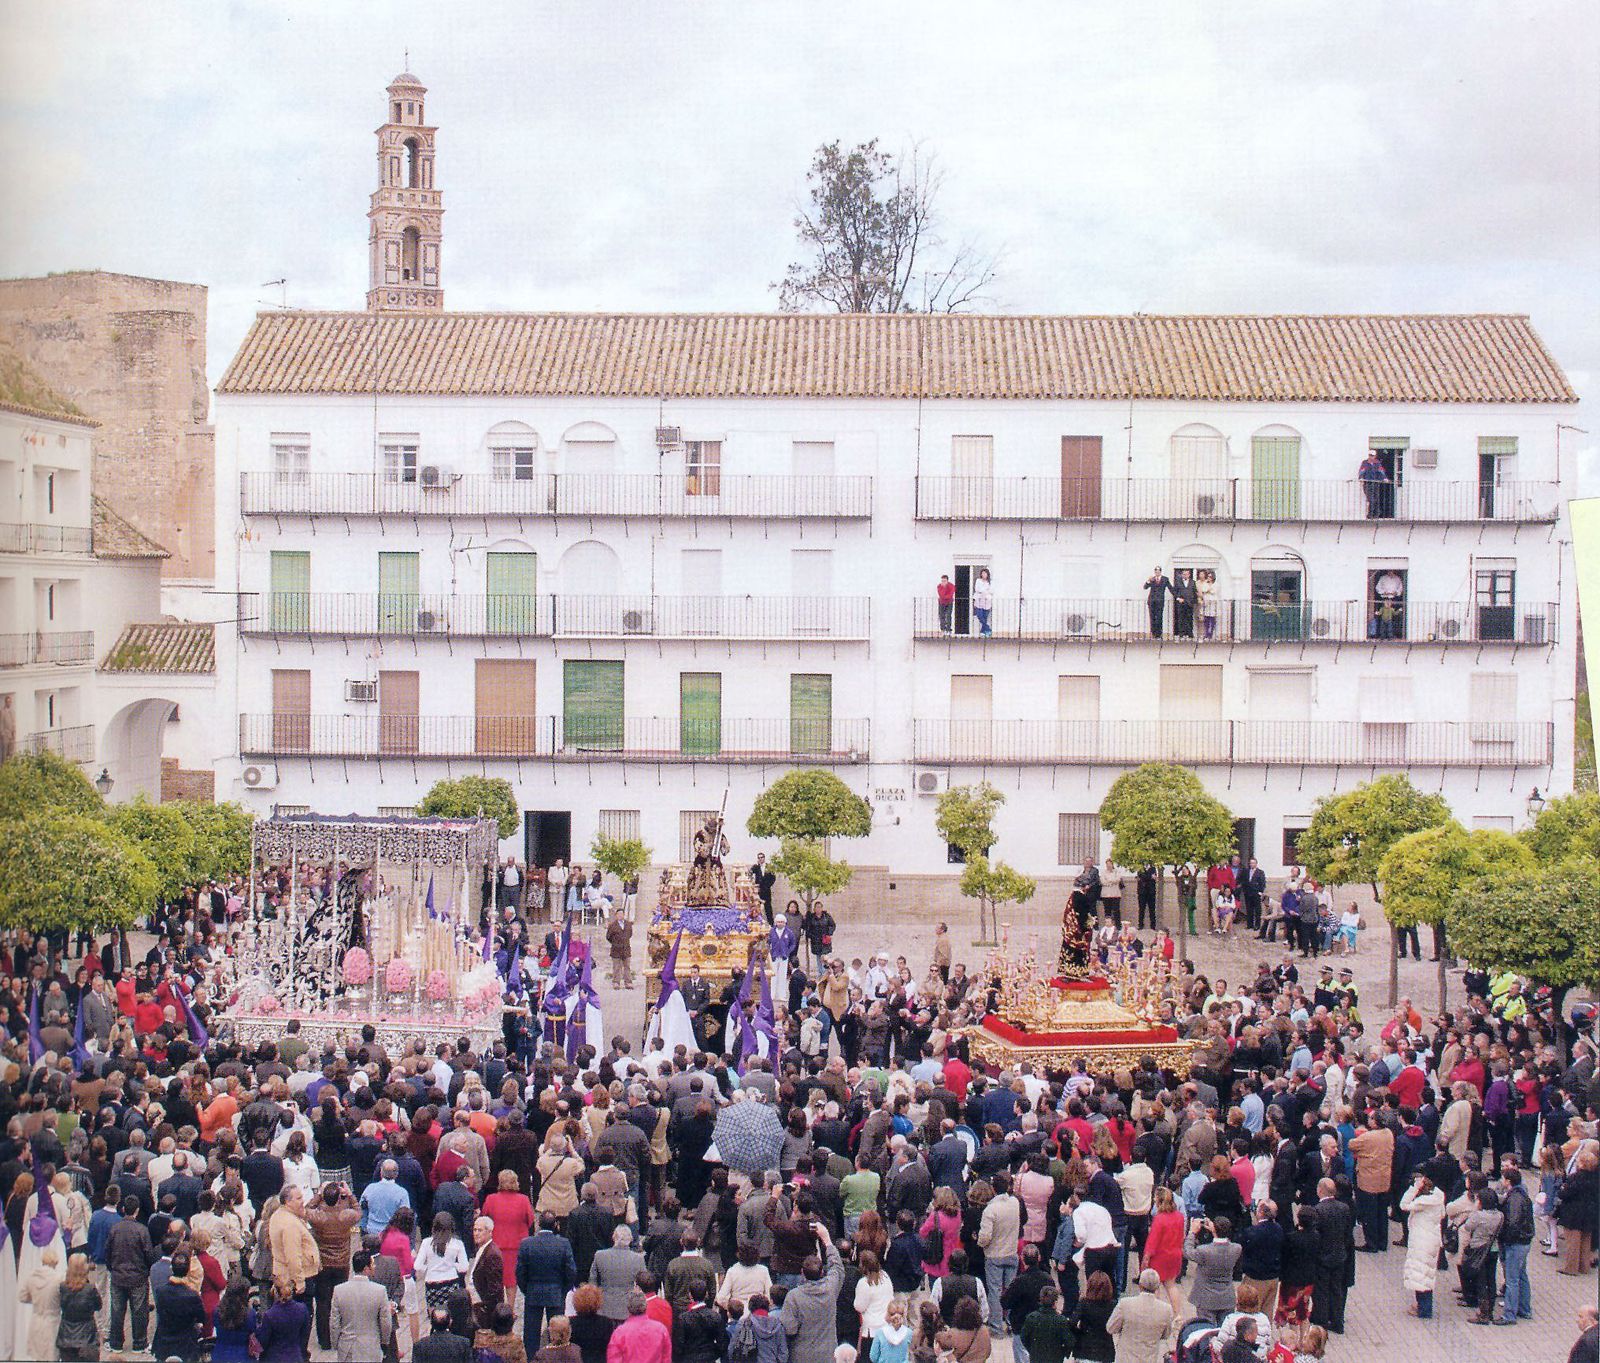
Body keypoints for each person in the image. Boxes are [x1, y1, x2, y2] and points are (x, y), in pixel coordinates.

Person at [332, 1248, 397, 1363]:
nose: (375, 1266)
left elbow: (334, 1322)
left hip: (347, 1347)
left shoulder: (339, 1290)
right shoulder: (380, 1291)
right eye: (372, 1264)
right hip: (370, 1346)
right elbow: (385, 1321)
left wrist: (336, 1343)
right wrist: (384, 1342)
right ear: (366, 1269)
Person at [1105, 1268, 1173, 1363]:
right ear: (1157, 1287)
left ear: (1140, 1285)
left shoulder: (1125, 1304)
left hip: (1125, 1359)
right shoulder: (1166, 1309)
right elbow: (1166, 1335)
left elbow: (1110, 1328)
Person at [55, 1251, 101, 1363]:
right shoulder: (90, 1289)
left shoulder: (62, 1287)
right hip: (87, 1336)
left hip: (66, 1334)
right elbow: (98, 1306)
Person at [1358, 450, 1393, 519]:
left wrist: (1384, 478)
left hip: (1376, 483)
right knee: (1371, 499)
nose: (1371, 457)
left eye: (1372, 455)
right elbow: (1362, 471)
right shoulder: (1365, 463)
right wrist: (1361, 477)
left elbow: (1381, 471)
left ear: (1375, 456)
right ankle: (1370, 514)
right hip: (1367, 483)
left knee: (1376, 499)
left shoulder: (1377, 463)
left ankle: (1376, 514)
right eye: (1370, 455)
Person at [1142, 567, 1170, 638]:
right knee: (1152, 617)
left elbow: (1171, 588)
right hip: (1152, 601)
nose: (1157, 573)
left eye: (1158, 571)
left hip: (1160, 601)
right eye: (1156, 571)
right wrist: (1148, 581)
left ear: (1160, 572)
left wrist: (1177, 596)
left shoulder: (1165, 579)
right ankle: (1153, 633)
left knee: (1159, 617)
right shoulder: (1152, 579)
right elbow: (1145, 587)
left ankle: (1159, 634)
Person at [1171, 569, 1198, 639]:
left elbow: (1195, 592)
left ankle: (1189, 634)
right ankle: (1181, 634)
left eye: (1187, 574)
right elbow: (1174, 592)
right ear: (1182, 575)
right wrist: (1178, 598)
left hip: (1189, 603)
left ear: (1189, 575)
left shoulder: (1193, 582)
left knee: (1189, 619)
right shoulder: (1178, 582)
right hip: (1181, 603)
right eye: (1184, 574)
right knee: (1181, 618)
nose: (1185, 575)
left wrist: (1194, 601)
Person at [971, 568, 994, 638]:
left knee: (985, 616)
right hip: (979, 599)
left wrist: (984, 591)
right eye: (982, 573)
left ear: (987, 574)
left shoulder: (989, 582)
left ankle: (983, 632)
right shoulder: (978, 581)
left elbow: (991, 591)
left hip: (987, 601)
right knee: (979, 615)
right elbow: (977, 589)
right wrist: (984, 591)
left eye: (985, 573)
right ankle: (988, 629)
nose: (983, 574)